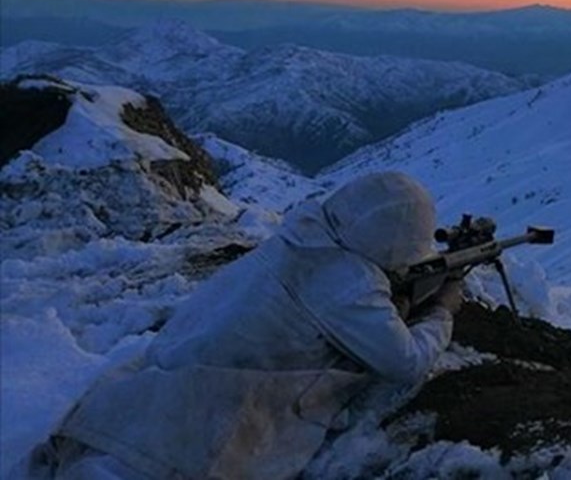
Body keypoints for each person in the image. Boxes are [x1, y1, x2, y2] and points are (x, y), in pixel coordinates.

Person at [37, 172, 463, 480]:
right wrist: (442, 309)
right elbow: (405, 361)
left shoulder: (305, 234)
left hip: (167, 372)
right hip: (212, 406)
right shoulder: (347, 283)